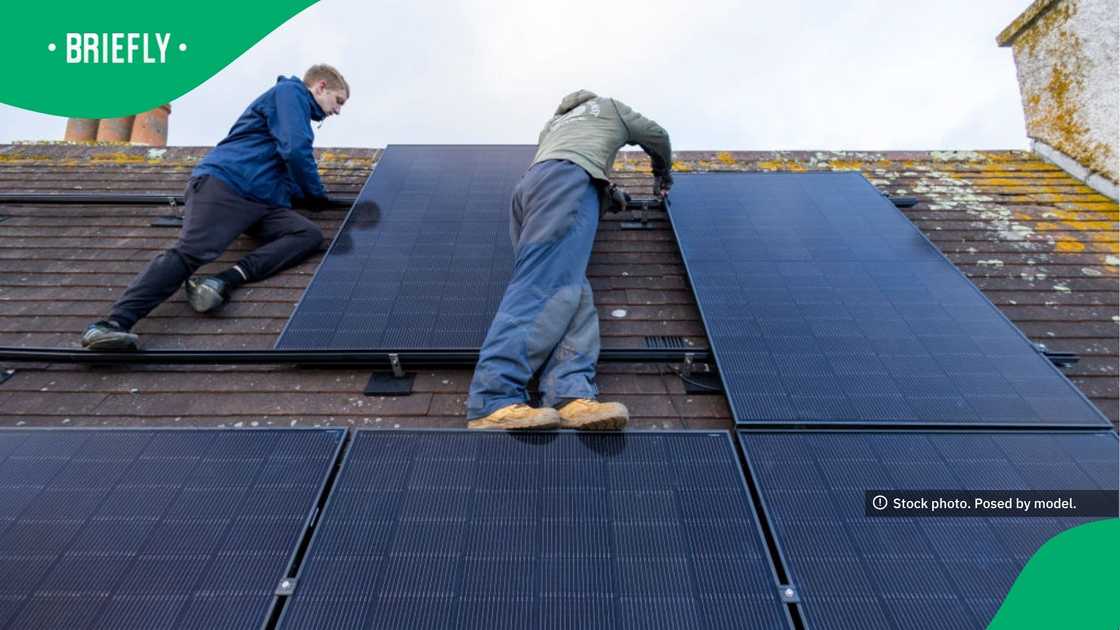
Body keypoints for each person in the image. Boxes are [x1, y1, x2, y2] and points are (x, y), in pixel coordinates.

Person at [80, 64, 350, 351]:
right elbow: (295, 149)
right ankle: (111, 324)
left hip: (262, 201)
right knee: (191, 252)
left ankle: (220, 281)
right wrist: (317, 195)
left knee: (306, 234)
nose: (337, 111)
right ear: (320, 87)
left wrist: (310, 197)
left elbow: (286, 167)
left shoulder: (291, 114)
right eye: (338, 101)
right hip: (227, 185)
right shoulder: (290, 93)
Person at [466, 90, 672, 431]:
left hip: (530, 190)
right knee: (543, 286)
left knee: (571, 290)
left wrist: (607, 193)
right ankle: (494, 398)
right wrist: (663, 172)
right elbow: (657, 135)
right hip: (567, 182)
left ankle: (570, 393)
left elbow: (564, 165)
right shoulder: (610, 107)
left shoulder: (555, 124)